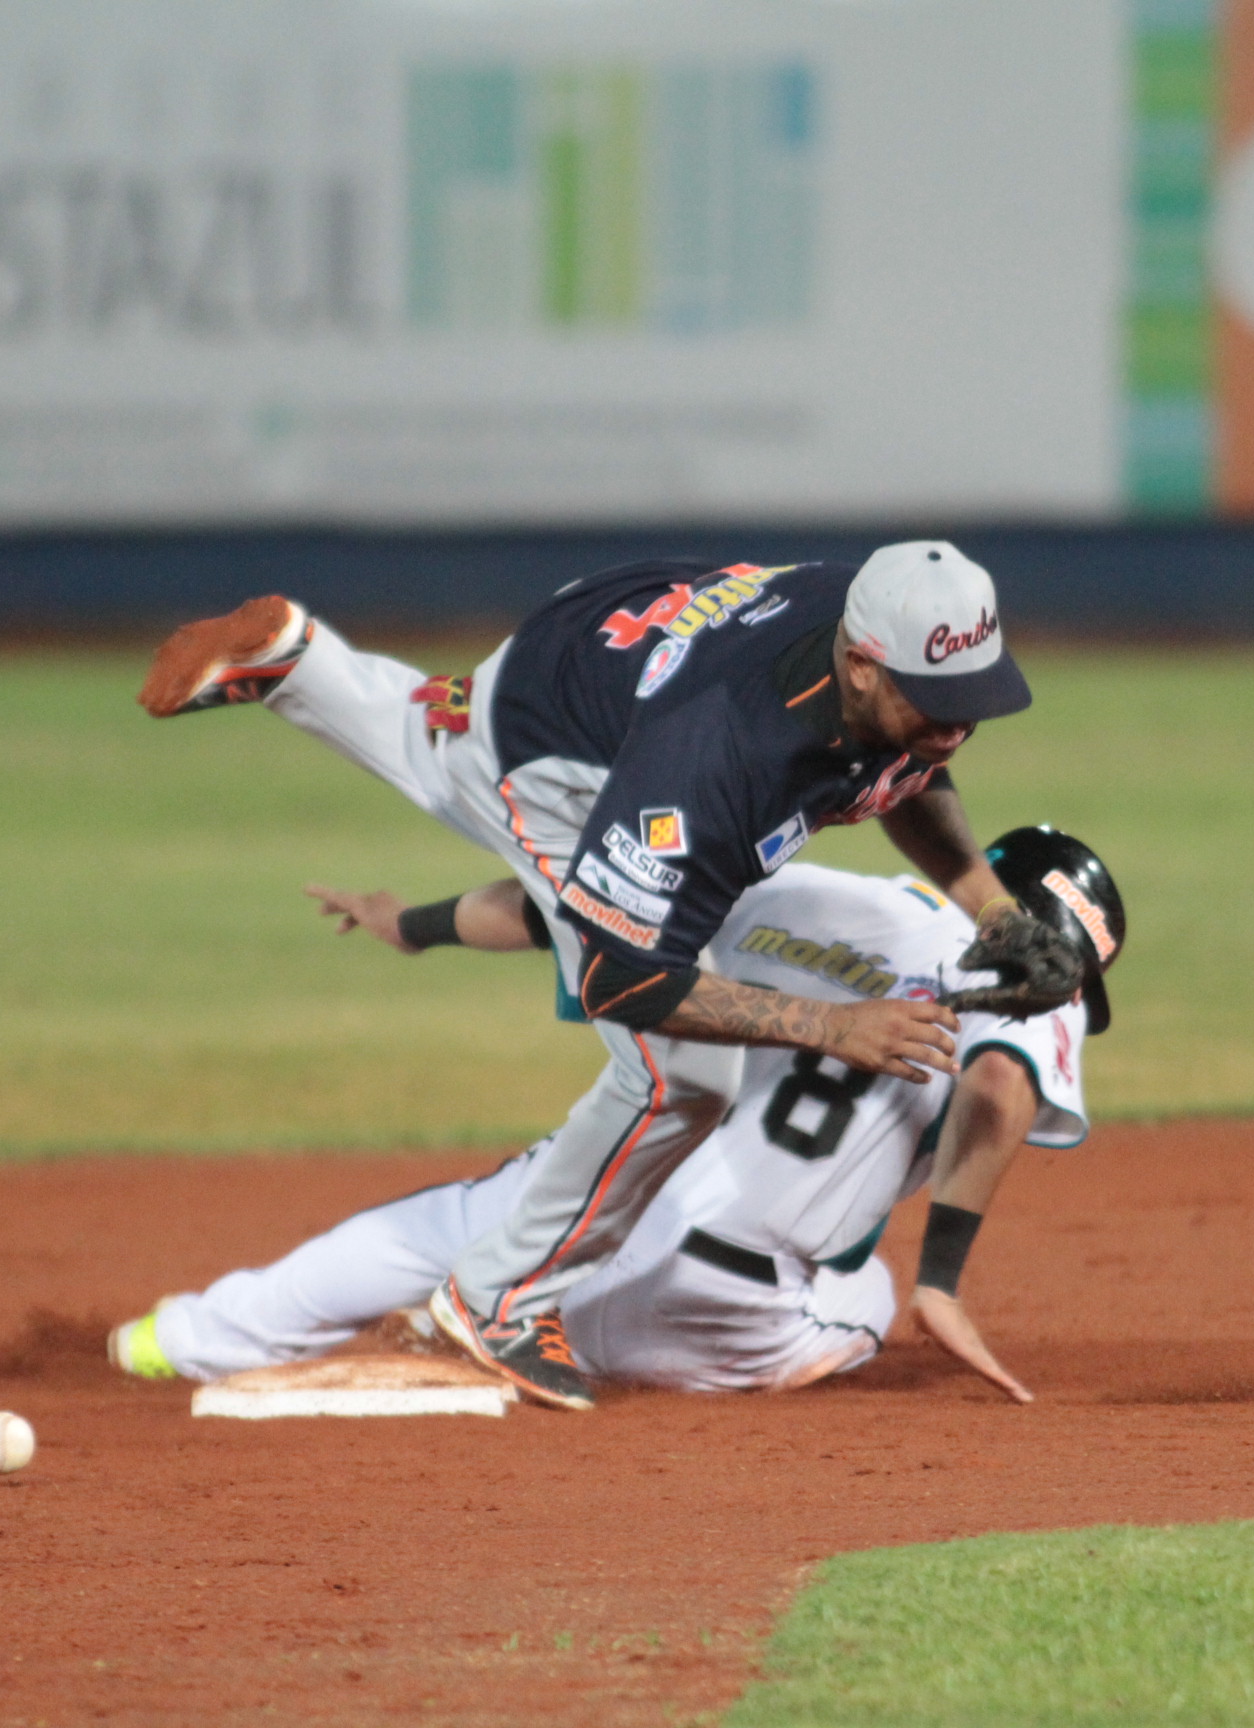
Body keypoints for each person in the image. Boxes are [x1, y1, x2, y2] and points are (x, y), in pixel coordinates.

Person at [137, 545, 1085, 1409]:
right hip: (569, 758)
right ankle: (500, 1295)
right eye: (937, 695)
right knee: (682, 1076)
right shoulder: (716, 761)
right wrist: (830, 1025)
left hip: (602, 647)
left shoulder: (883, 632)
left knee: (445, 745)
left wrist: (992, 909)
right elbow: (623, 982)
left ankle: (297, 661)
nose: (960, 721)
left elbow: (904, 768)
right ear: (862, 666)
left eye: (974, 693)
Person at [108, 830, 1125, 1401]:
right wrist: (943, 1282)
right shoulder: (1040, 983)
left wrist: (411, 925)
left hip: (603, 1202)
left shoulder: (821, 895)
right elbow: (997, 1086)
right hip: (723, 1317)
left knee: (451, 1216)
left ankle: (175, 1338)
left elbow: (591, 904)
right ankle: (485, 1351)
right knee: (869, 1293)